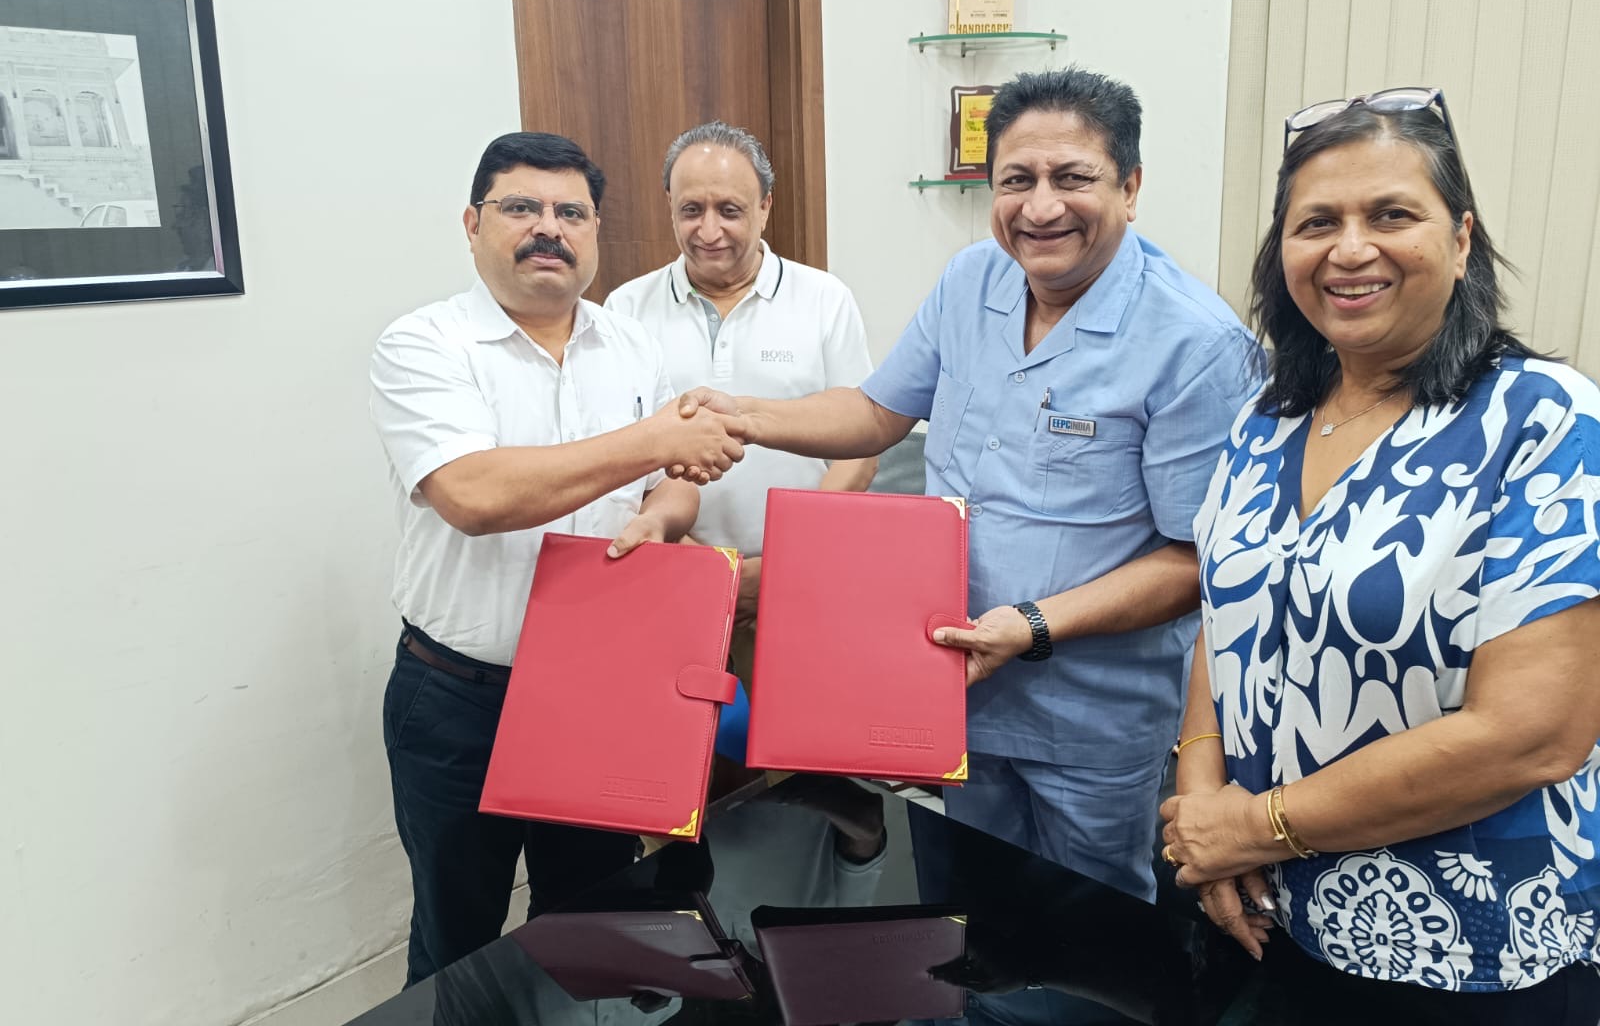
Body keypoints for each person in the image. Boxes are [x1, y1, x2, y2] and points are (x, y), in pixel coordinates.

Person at [677, 68, 1261, 900]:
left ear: (1130, 188)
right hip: (947, 686)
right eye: (1016, 181)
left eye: (1074, 178)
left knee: (1085, 930)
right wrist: (744, 416)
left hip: (1089, 719)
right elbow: (878, 412)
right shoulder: (970, 281)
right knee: (975, 912)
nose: (1041, 206)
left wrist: (1030, 625)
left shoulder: (1196, 345)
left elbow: (1193, 561)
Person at [1160, 88, 1600, 1022]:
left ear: (1462, 239)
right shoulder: (1265, 420)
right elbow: (1226, 614)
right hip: (1273, 916)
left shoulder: (1547, 421)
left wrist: (1251, 824)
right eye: (1316, 221)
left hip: (1465, 950)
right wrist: (1203, 804)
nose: (1350, 248)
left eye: (1391, 214)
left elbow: (1533, 734)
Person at [369, 131, 745, 985]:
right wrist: (651, 441)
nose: (550, 228)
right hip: (461, 697)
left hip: (603, 690)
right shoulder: (422, 346)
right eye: (521, 208)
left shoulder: (631, 346)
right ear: (472, 224)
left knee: (590, 922)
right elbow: (475, 496)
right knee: (457, 938)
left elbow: (675, 483)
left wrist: (666, 516)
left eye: (571, 212)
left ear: (596, 231)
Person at [605, 121, 877, 649]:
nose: (709, 231)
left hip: (801, 580)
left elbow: (860, 448)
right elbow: (619, 452)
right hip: (667, 573)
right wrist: (689, 557)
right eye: (691, 210)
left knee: (795, 730)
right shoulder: (625, 310)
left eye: (729, 210)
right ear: (670, 206)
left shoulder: (824, 299)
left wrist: (783, 562)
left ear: (765, 206)